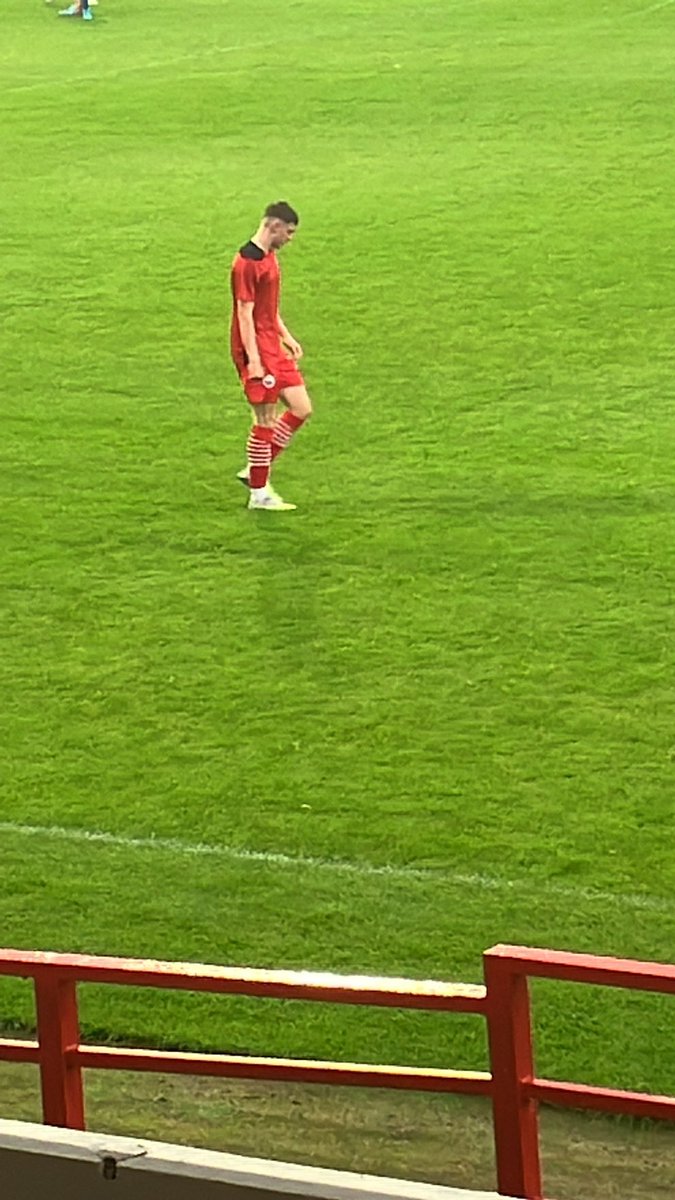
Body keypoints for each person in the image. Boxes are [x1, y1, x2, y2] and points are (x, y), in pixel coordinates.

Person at [230, 201, 312, 511]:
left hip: (272, 346)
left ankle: (256, 468)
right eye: (288, 232)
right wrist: (252, 360)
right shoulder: (246, 264)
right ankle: (259, 494)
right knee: (264, 419)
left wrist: (286, 336)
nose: (290, 239)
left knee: (301, 408)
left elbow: (268, 307)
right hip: (256, 349)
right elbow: (245, 313)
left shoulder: (270, 257)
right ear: (273, 226)